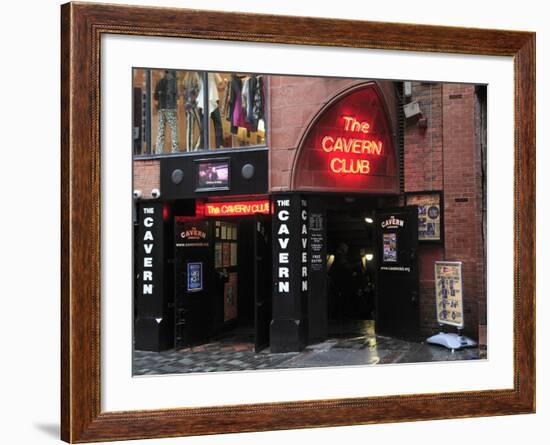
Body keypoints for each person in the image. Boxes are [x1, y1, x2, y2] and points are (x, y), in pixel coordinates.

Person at [154, 70, 179, 153]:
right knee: (174, 129)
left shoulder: (160, 81)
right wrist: (176, 109)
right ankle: (175, 151)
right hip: (170, 108)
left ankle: (158, 151)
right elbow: (175, 96)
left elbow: (155, 97)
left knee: (161, 131)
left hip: (161, 108)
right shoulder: (173, 81)